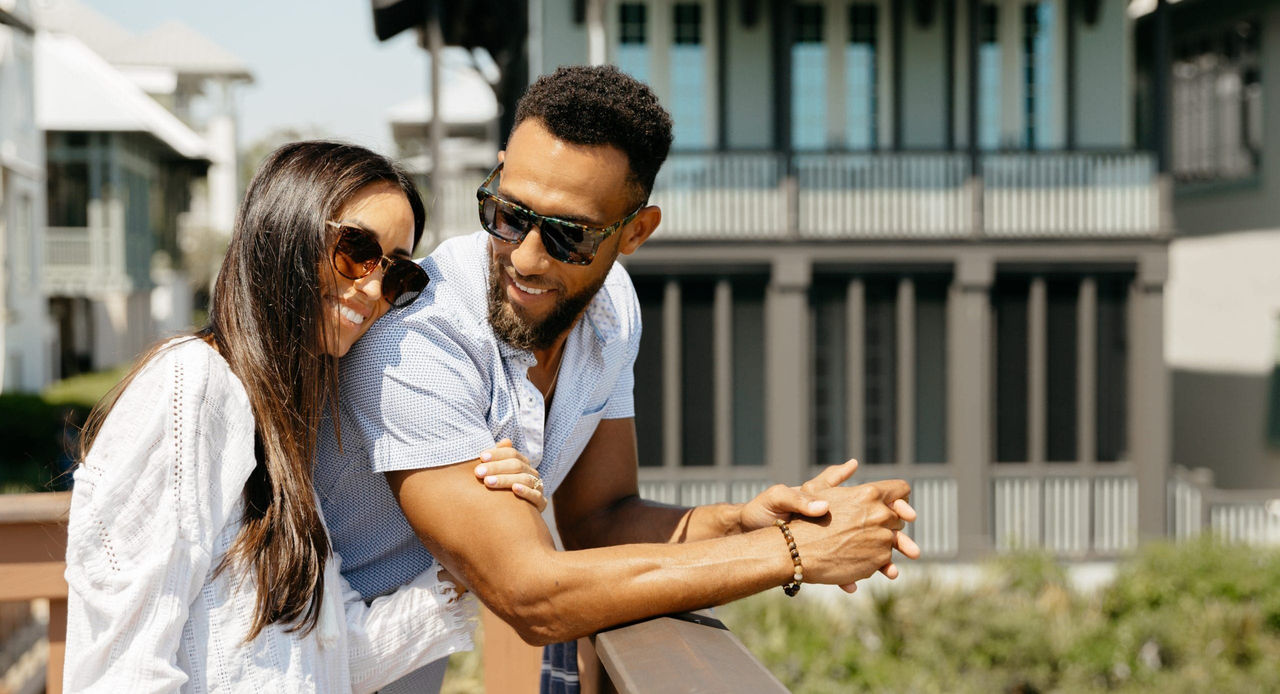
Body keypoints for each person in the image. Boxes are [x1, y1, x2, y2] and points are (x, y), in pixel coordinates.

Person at [316, 66, 919, 694]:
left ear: (635, 231)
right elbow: (530, 595)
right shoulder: (416, 335)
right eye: (508, 213)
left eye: (568, 235)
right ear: (497, 173)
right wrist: (790, 555)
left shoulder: (613, 312)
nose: (524, 256)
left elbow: (599, 520)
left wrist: (744, 522)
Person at [62, 141, 548, 693]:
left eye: (398, 276)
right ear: (285, 229)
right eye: (355, 249)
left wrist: (476, 548)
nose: (371, 288)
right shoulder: (190, 387)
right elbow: (123, 672)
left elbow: (335, 660)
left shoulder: (285, 432)